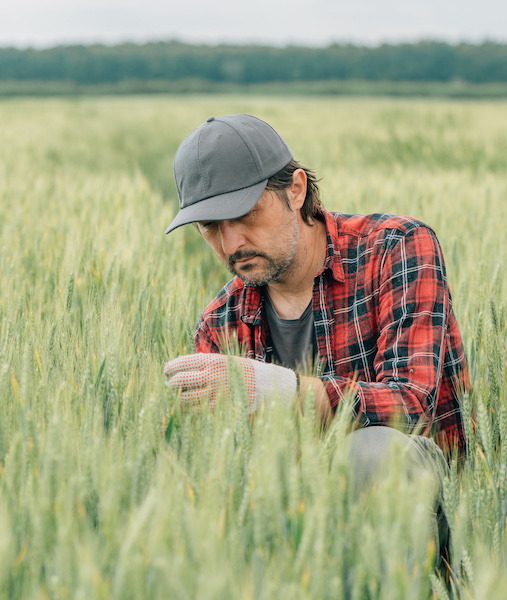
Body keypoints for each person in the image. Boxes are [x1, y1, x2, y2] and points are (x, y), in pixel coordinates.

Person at [162, 114, 470, 572]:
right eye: (209, 227)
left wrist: (281, 391)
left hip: (424, 503)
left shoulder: (397, 248)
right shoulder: (219, 323)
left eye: (244, 214)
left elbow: (412, 404)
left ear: (296, 189)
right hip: (297, 521)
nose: (231, 243)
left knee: (371, 453)